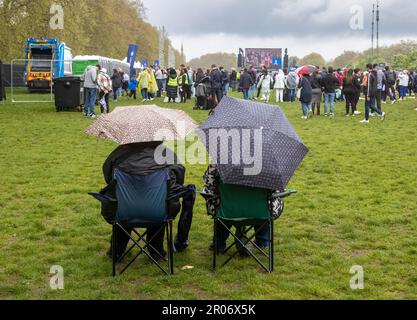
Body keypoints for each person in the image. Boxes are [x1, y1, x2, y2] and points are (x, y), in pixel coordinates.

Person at [99, 141, 196, 260]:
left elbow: (108, 176)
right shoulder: (166, 154)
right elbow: (179, 179)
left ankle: (116, 252)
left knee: (125, 206)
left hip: (123, 211)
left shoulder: (119, 153)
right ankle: (156, 253)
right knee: (159, 203)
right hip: (159, 211)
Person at [202, 164, 283, 254]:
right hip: (259, 213)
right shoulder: (268, 166)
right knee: (267, 203)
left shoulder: (218, 164)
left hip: (227, 213)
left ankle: (218, 244)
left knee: (220, 203)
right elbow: (276, 189)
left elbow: (209, 187)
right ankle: (262, 242)